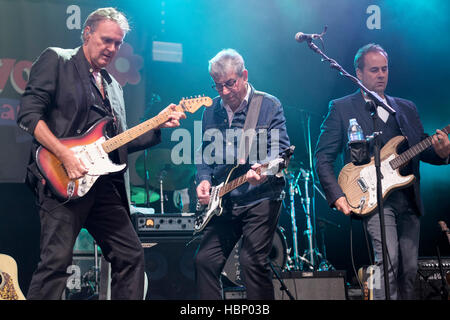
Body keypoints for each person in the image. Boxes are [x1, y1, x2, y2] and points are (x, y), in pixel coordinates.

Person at [17, 7, 185, 300]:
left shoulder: (113, 86)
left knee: (130, 256)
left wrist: (159, 124)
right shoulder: (57, 60)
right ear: (87, 33)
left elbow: (120, 143)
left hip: (103, 187)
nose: (112, 48)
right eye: (106, 40)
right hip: (62, 181)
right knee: (56, 264)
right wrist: (65, 155)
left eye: (118, 43)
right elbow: (29, 115)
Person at [314, 43, 450, 299]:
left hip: (408, 198)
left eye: (384, 69)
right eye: (374, 70)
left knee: (409, 270)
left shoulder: (405, 108)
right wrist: (336, 195)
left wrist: (442, 154)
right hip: (373, 200)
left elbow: (420, 147)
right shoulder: (342, 108)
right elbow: (322, 157)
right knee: (388, 264)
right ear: (359, 73)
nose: (381, 75)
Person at [194, 49, 290, 299]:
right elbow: (204, 153)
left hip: (261, 197)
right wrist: (203, 178)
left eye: (230, 83)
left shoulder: (268, 105)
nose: (224, 92)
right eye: (218, 86)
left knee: (251, 263)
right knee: (204, 261)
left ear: (244, 75)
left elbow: (279, 151)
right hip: (225, 201)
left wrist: (265, 170)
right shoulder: (210, 111)